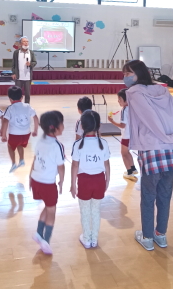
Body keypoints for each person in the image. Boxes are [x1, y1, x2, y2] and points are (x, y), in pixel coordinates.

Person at [122, 60, 173, 251]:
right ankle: (161, 235)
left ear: (138, 74)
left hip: (152, 149)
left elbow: (149, 119)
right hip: (172, 149)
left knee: (149, 196)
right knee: (165, 194)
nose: (125, 78)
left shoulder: (134, 93)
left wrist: (166, 137)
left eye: (128, 74)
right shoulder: (163, 90)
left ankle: (148, 237)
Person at [70, 110, 110, 249]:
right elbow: (107, 164)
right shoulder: (103, 143)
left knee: (85, 211)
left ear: (82, 126)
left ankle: (87, 239)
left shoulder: (77, 144)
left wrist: (72, 185)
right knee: (96, 210)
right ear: (99, 125)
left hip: (84, 181)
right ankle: (94, 239)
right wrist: (107, 180)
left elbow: (75, 166)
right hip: (99, 180)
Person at [30, 111, 66, 255]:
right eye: (62, 124)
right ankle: (46, 240)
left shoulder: (40, 140)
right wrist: (61, 181)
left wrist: (30, 177)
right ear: (55, 128)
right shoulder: (57, 146)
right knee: (52, 211)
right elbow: (61, 167)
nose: (63, 126)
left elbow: (35, 159)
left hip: (36, 180)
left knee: (48, 206)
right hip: (48, 184)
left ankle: (38, 233)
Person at [0, 86, 38, 173]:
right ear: (22, 97)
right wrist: (35, 130)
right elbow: (35, 118)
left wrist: (3, 135)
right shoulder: (28, 106)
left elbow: (5, 122)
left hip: (14, 134)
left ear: (10, 99)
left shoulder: (10, 108)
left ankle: (13, 163)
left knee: (10, 146)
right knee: (19, 144)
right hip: (26, 134)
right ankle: (21, 160)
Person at [108, 89, 138, 182]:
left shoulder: (124, 110)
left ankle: (129, 172)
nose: (118, 101)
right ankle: (133, 168)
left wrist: (112, 121)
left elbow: (122, 125)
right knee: (127, 152)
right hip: (132, 135)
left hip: (126, 135)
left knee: (124, 154)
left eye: (120, 99)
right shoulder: (132, 108)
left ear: (126, 100)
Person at [11, 37, 37, 103]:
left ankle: (27, 106)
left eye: (27, 41)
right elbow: (13, 64)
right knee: (17, 93)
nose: (26, 43)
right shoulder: (16, 52)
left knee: (27, 94)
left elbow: (35, 62)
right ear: (20, 43)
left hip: (27, 77)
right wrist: (13, 73)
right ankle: (17, 105)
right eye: (24, 41)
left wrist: (30, 64)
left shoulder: (31, 52)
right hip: (18, 76)